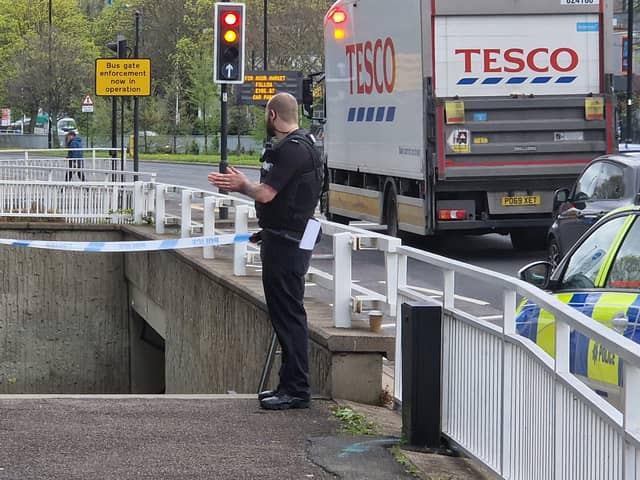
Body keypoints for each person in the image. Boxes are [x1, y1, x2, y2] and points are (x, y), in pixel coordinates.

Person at [208, 92, 323, 410]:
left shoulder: (291, 151)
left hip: (287, 244)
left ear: (272, 115)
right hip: (287, 236)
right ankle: (289, 385)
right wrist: (268, 229)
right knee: (287, 315)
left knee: (288, 316)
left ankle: (297, 389)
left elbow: (267, 193)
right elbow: (294, 199)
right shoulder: (308, 145)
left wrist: (241, 185)